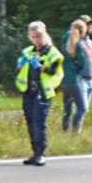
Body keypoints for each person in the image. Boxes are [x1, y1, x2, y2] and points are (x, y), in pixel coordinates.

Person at [17, 20, 64, 166]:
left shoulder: (53, 53)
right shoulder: (27, 51)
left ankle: (40, 153)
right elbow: (18, 70)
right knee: (30, 121)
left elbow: (53, 71)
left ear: (45, 34)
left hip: (43, 91)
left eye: (38, 36)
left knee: (39, 122)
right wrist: (21, 63)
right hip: (28, 90)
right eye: (33, 36)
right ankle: (34, 151)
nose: (36, 39)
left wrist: (40, 66)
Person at [60, 19, 92, 132]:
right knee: (82, 107)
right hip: (76, 80)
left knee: (67, 108)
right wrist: (77, 66)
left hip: (65, 80)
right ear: (82, 30)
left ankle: (65, 129)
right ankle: (75, 131)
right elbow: (83, 62)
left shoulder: (64, 43)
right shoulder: (78, 45)